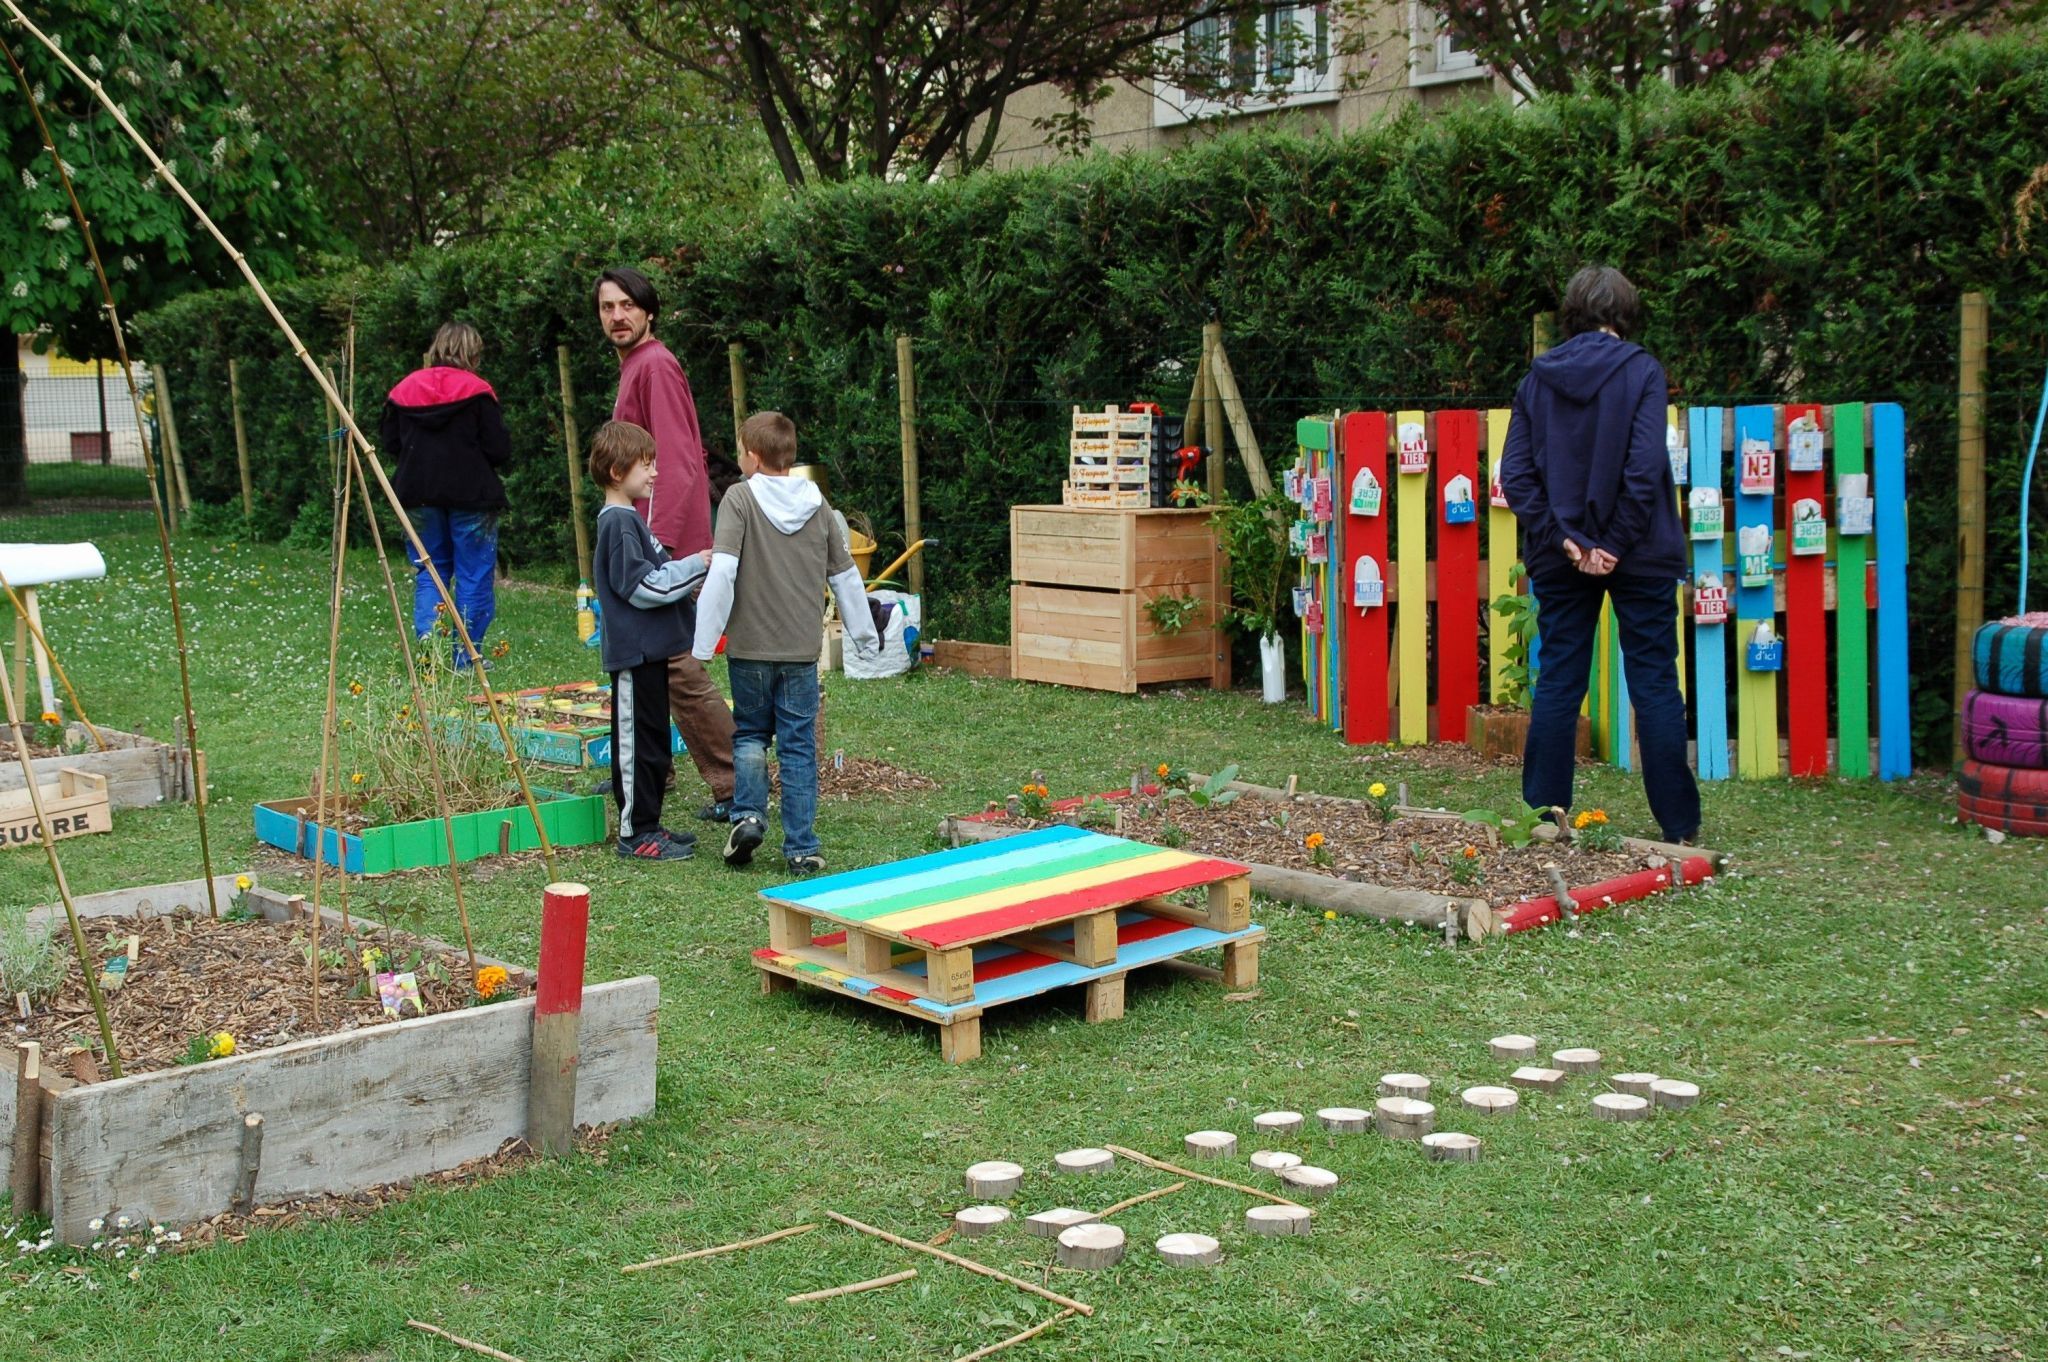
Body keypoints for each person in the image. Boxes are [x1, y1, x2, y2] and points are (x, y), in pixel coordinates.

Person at [1498, 265, 1702, 844]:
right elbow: (1643, 468)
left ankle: (1543, 819)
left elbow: (1515, 473)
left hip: (1561, 555)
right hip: (1640, 552)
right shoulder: (1642, 371)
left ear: (1572, 313)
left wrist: (1564, 538)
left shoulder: (1537, 380)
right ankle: (1680, 827)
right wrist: (1610, 544)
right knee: (1655, 682)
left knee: (1560, 678)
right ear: (1626, 313)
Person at [692, 411, 878, 874]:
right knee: (798, 747)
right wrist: (862, 632)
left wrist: (702, 640)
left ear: (753, 457)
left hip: (749, 649)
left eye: (739, 452)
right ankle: (801, 847)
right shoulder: (818, 504)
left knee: (751, 734)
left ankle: (749, 815)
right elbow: (845, 575)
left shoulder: (739, 499)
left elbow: (725, 569)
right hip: (800, 652)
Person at [595, 266, 738, 822]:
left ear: (648, 311)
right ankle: (662, 770)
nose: (617, 317)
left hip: (663, 542)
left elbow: (675, 462)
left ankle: (734, 781)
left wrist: (658, 543)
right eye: (608, 307)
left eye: (627, 305)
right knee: (661, 661)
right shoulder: (638, 365)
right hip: (652, 538)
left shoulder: (654, 365)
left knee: (675, 663)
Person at [588, 420, 711, 862]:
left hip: (652, 654)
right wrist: (697, 564)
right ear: (618, 471)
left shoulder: (630, 521)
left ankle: (651, 824)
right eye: (646, 465)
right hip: (633, 656)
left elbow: (660, 576)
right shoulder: (619, 524)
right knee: (635, 746)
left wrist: (691, 573)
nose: (655, 473)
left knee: (655, 742)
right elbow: (645, 588)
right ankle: (633, 833)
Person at [380, 321, 509, 667]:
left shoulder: (403, 390)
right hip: (472, 496)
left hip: (417, 494)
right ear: (473, 353)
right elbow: (499, 450)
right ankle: (467, 657)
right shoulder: (479, 392)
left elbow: (390, 443)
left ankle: (431, 657)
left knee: (430, 570)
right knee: (473, 574)